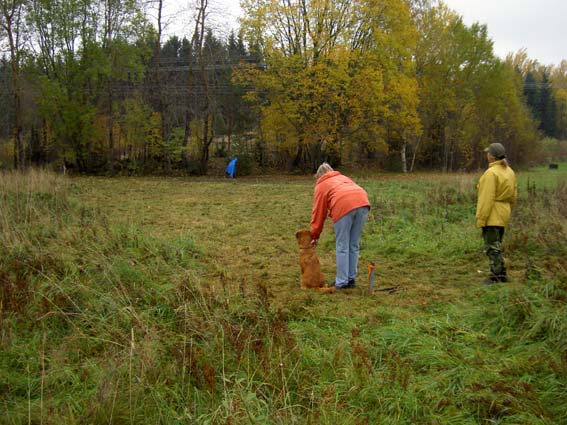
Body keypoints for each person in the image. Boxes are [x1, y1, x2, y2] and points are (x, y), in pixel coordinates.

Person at [310, 163, 370, 290]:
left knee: (342, 246)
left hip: (344, 206)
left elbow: (318, 212)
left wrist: (314, 235)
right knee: (354, 244)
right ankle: (351, 279)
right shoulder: (343, 178)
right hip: (363, 202)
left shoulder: (321, 185)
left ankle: (342, 282)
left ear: (319, 175)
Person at [476, 143, 517, 285]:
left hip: (492, 214)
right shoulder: (509, 171)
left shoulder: (491, 173)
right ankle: (500, 274)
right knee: (497, 245)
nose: (487, 155)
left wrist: (481, 218)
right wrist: (507, 211)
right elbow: (513, 196)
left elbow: (486, 198)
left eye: (488, 153)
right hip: (503, 213)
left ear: (492, 156)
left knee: (492, 247)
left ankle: (497, 276)